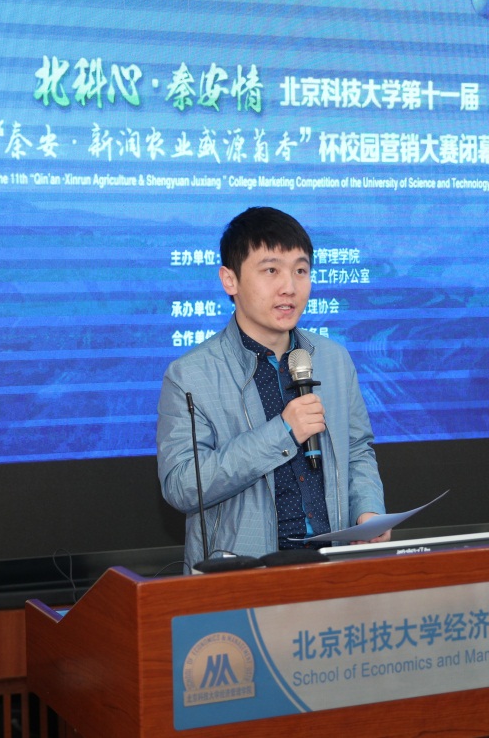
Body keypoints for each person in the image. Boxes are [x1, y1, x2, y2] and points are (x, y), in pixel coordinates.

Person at [156, 206, 388, 571]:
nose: (289, 287)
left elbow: (357, 450)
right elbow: (182, 486)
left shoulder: (333, 359)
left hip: (334, 568)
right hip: (243, 578)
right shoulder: (189, 376)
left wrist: (368, 511)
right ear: (229, 280)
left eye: (300, 270)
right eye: (271, 270)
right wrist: (283, 432)